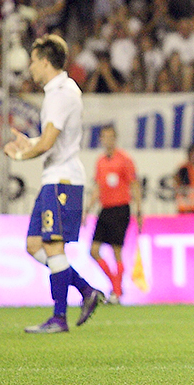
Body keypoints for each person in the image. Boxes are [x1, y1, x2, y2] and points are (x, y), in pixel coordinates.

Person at [3, 34, 105, 333]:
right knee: (34, 245)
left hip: (62, 179)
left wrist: (21, 154)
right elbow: (49, 140)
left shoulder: (60, 93)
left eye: (33, 61)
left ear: (46, 62)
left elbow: (48, 143)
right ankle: (86, 290)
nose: (30, 67)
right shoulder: (59, 90)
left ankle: (59, 318)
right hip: (54, 177)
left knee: (52, 245)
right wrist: (29, 142)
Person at [83, 125, 143, 304]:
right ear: (101, 139)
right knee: (93, 250)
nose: (107, 140)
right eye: (104, 137)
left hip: (120, 208)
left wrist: (139, 209)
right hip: (105, 209)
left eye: (110, 137)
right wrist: (88, 209)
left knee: (117, 251)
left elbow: (134, 184)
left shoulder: (124, 159)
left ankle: (116, 292)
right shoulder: (100, 161)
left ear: (115, 139)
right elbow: (98, 187)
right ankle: (116, 287)